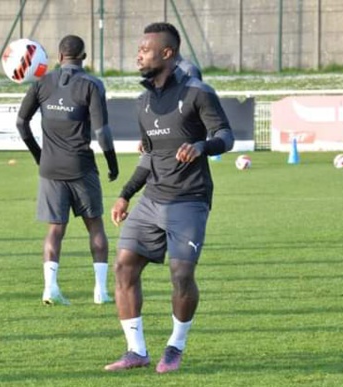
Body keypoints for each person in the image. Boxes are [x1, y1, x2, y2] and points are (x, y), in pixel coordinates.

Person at [103, 22, 234, 373]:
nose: (138, 54)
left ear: (167, 53)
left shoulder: (197, 92)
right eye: (139, 47)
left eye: (146, 48)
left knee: (181, 275)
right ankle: (136, 351)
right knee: (124, 267)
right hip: (151, 200)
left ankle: (175, 346)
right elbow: (149, 155)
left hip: (189, 199)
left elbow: (225, 134)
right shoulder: (143, 102)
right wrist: (125, 194)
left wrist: (202, 145)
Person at [16, 35, 119, 306]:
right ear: (84, 57)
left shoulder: (41, 83)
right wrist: (112, 163)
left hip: (50, 169)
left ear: (59, 57)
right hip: (82, 167)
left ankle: (50, 289)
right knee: (95, 225)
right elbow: (101, 131)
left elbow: (21, 123)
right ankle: (101, 291)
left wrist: (40, 155)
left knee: (55, 230)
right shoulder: (91, 85)